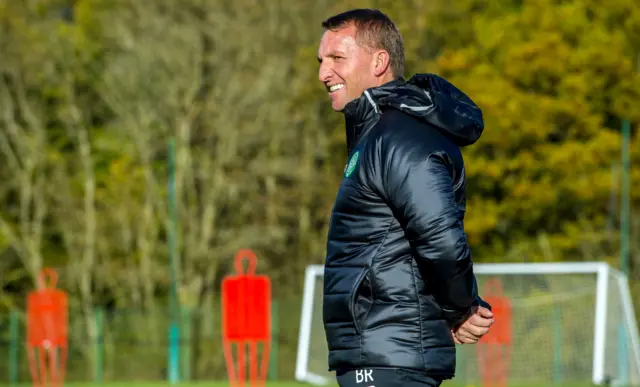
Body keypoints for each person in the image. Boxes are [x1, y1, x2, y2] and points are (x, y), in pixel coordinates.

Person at [318, 8, 494, 387]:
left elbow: (440, 240)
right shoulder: (378, 135)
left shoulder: (399, 138)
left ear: (379, 61)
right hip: (380, 357)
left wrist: (461, 308)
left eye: (336, 58)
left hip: (389, 362)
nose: (323, 73)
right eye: (321, 61)